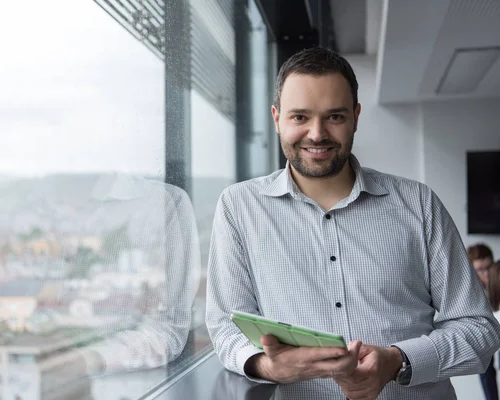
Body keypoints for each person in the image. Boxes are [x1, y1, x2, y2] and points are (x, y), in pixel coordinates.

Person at [205, 46, 500, 400]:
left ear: (356, 117)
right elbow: (226, 326)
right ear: (276, 118)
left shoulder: (419, 204)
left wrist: (398, 361)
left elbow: (479, 328)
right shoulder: (239, 208)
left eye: (335, 117)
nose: (317, 134)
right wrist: (266, 366)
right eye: (300, 117)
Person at [470, 243, 500, 400]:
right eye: (480, 269)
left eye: (489, 267)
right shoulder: (471, 290)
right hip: (485, 332)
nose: (486, 274)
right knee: (486, 368)